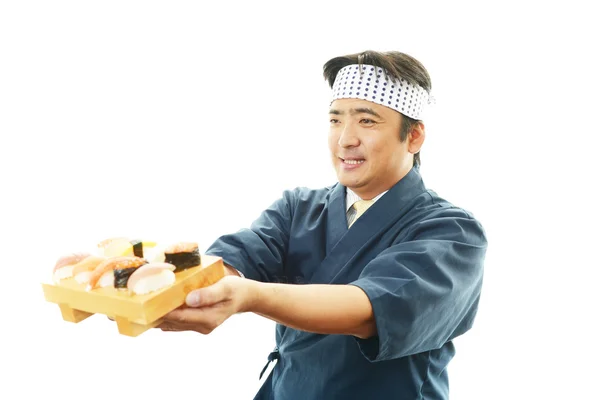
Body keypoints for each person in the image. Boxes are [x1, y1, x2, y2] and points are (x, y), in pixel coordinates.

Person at [158, 50, 488, 399]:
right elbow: (232, 262)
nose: (345, 138)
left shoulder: (451, 232)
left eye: (367, 121)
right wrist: (157, 281)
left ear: (414, 136)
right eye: (335, 120)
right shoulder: (298, 207)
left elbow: (369, 311)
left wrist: (249, 296)